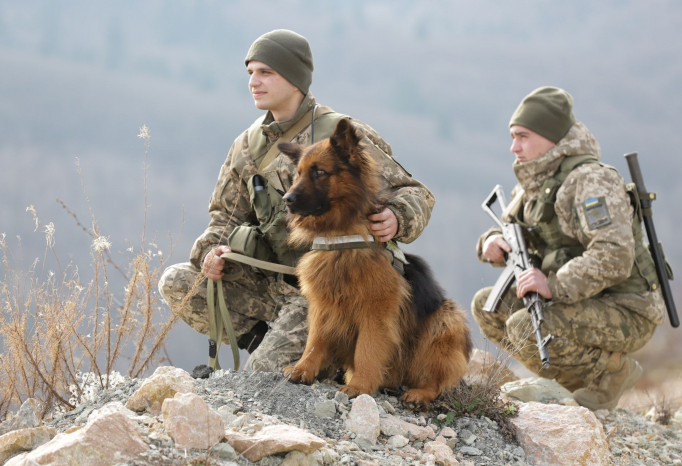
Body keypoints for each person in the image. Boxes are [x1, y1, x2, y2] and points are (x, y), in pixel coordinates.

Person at [159, 29, 434, 373]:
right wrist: (209, 254)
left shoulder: (340, 134)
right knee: (178, 282)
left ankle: (308, 357)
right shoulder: (246, 147)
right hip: (269, 283)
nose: (253, 82)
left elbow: (416, 193)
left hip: (329, 292)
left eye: (266, 73)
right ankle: (264, 341)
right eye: (250, 73)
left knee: (261, 376)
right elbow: (223, 220)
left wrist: (398, 216)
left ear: (294, 79)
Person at [471, 86, 665, 410]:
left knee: (524, 326)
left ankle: (613, 373)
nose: (513, 147)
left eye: (523, 136)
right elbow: (511, 226)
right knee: (487, 308)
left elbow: (614, 254)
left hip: (627, 308)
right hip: (581, 301)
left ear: (551, 136)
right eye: (513, 136)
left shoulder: (590, 180)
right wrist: (490, 242)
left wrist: (554, 284)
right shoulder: (535, 180)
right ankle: (574, 385)